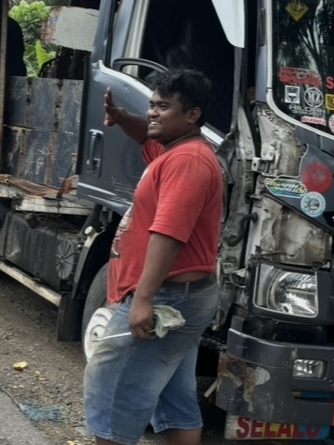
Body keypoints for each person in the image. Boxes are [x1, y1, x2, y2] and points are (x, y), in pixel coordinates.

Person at [84, 68, 223, 445]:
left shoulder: (188, 161)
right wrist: (123, 118)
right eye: (151, 106)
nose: (152, 114)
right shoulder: (175, 150)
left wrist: (143, 299)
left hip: (168, 297)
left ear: (192, 115)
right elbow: (148, 138)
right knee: (173, 398)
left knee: (114, 391)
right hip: (180, 294)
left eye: (163, 107)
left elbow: (170, 232)